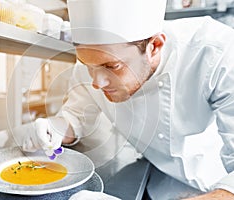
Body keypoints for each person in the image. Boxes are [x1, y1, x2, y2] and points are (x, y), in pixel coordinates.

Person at [16, 0, 234, 199]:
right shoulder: (91, 67)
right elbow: (76, 118)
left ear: (154, 46)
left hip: (219, 181)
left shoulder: (215, 53)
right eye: (87, 65)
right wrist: (54, 129)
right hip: (158, 181)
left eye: (112, 67)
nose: (97, 83)